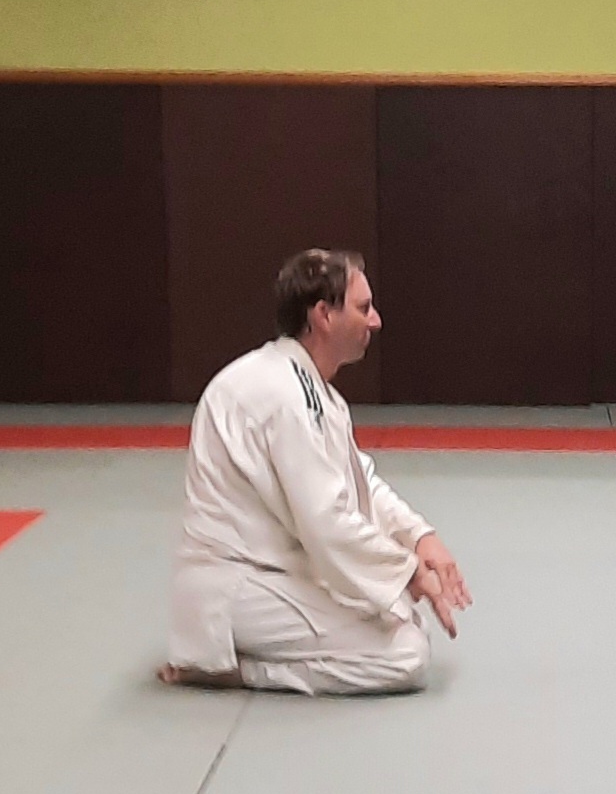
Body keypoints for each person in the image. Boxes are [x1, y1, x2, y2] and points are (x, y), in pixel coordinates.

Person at [160, 249, 472, 696]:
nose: (375, 321)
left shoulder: (306, 388)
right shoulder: (285, 394)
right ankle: (239, 670)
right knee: (405, 653)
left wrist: (420, 538)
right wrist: (407, 572)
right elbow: (326, 521)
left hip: (263, 577)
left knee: (397, 615)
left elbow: (358, 482)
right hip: (237, 588)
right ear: (324, 315)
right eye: (363, 308)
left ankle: (228, 657)